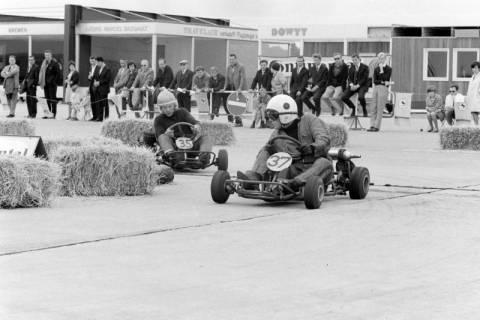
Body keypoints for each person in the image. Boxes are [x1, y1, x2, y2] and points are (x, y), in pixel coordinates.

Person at [237, 94, 333, 191]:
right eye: (268, 115)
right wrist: (269, 150)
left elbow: (324, 138)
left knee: (324, 162)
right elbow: (268, 154)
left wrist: (313, 147)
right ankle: (254, 179)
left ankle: (297, 183)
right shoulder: (276, 133)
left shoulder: (309, 120)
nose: (270, 119)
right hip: (292, 168)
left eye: (273, 116)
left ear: (285, 116)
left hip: (313, 166)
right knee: (265, 150)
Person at [154, 90, 212, 168]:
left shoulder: (182, 112)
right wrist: (166, 134)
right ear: (160, 108)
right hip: (174, 147)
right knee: (163, 137)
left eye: (169, 106)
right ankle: (172, 156)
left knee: (205, 136)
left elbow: (194, 121)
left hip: (190, 144)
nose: (167, 110)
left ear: (174, 105)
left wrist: (196, 126)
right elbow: (159, 135)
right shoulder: (159, 119)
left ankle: (204, 156)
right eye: (164, 107)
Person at [368, 52, 392, 132]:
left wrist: (382, 71)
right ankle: (372, 125)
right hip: (376, 88)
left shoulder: (389, 69)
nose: (381, 60)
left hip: (383, 88)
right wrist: (382, 81)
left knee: (380, 107)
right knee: (373, 107)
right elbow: (375, 81)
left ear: (385, 59)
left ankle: (377, 126)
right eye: (379, 58)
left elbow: (386, 78)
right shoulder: (376, 69)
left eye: (382, 58)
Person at [224, 53, 246, 127]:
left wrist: (240, 88)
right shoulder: (228, 67)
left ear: (236, 59)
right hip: (231, 87)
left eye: (233, 59)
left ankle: (239, 121)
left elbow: (242, 78)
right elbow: (226, 78)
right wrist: (224, 88)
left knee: (238, 104)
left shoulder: (241, 66)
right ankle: (235, 121)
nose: (231, 61)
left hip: (239, 88)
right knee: (231, 104)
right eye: (230, 59)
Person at [39, 50, 61, 119]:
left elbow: (58, 74)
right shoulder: (44, 63)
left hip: (52, 85)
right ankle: (48, 114)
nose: (47, 56)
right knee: (47, 100)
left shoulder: (55, 63)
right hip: (45, 84)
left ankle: (53, 114)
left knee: (52, 99)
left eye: (48, 55)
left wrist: (53, 81)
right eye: (45, 55)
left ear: (51, 56)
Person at [92, 57, 111, 122]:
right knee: (99, 104)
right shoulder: (98, 69)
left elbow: (107, 79)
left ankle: (106, 118)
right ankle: (100, 118)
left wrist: (99, 82)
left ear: (101, 62)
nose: (97, 64)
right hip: (98, 89)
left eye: (97, 62)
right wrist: (95, 81)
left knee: (105, 104)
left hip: (104, 89)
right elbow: (96, 77)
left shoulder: (107, 69)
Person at [466, 61, 480, 125]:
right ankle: (476, 127)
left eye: (475, 68)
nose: (474, 69)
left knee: (475, 112)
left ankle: (477, 128)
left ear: (479, 68)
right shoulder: (472, 77)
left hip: (477, 97)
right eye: (473, 68)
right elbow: (469, 88)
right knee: (473, 113)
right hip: (471, 98)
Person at [87, 56, 98, 121]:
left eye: (93, 61)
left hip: (96, 87)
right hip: (91, 86)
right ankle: (94, 116)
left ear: (95, 61)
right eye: (91, 61)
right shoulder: (90, 68)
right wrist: (89, 77)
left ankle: (97, 116)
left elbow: (98, 77)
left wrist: (92, 76)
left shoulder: (98, 68)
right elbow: (90, 78)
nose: (92, 62)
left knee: (96, 102)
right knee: (92, 102)